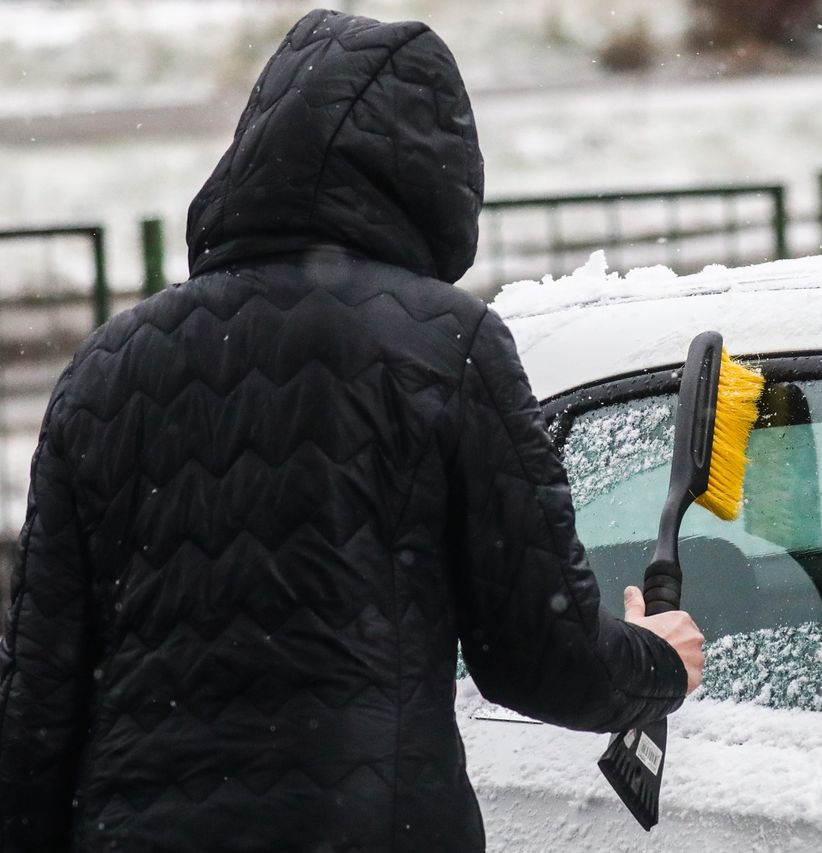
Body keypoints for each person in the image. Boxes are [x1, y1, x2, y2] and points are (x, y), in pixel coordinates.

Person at [0, 10, 704, 852]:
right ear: (439, 178)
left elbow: (36, 707)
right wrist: (658, 661)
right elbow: (540, 655)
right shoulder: (447, 344)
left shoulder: (104, 368)